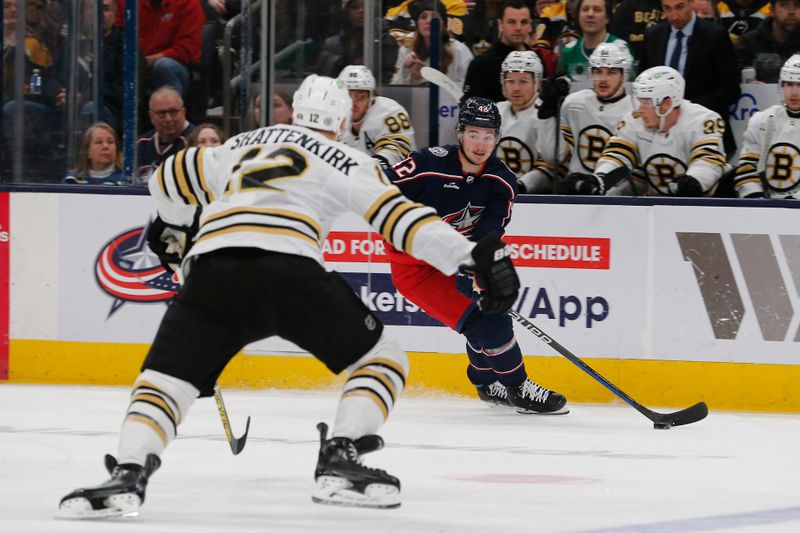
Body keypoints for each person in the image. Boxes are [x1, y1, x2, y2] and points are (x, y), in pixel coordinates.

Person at [56, 75, 521, 518]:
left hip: (214, 271)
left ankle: (128, 472)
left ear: (296, 112)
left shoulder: (237, 145)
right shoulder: (346, 158)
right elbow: (404, 222)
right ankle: (340, 455)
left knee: (163, 381)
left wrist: (174, 229)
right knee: (383, 360)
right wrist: (474, 257)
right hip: (290, 270)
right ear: (342, 122)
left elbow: (168, 176)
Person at [384, 97, 569, 414]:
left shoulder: (501, 181)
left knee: (487, 314)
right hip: (416, 269)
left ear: (497, 138)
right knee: (488, 321)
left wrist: (480, 264)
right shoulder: (429, 164)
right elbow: (381, 188)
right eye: (473, 134)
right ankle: (518, 388)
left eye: (488, 136)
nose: (481, 144)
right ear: (459, 134)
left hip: (457, 261)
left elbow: (488, 231)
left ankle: (485, 383)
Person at [565, 66, 727, 196]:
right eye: (639, 101)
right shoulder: (634, 120)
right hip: (657, 200)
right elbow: (617, 155)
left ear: (667, 104)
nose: (640, 109)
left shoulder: (703, 119)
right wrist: (600, 178)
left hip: (707, 202)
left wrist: (695, 181)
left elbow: (708, 161)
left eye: (646, 102)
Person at [639, 0, 741, 156]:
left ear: (691, 3)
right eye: (667, 8)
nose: (674, 16)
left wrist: (684, 109)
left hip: (703, 134)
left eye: (679, 7)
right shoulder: (653, 35)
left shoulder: (715, 36)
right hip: (658, 137)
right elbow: (643, 85)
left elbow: (731, 90)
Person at [555, 42, 635, 190]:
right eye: (598, 71)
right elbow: (557, 156)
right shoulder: (573, 103)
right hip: (575, 187)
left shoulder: (635, 109)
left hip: (615, 193)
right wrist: (548, 117)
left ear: (625, 75)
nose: (603, 79)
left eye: (611, 72)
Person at [734, 54, 800, 198]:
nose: (794, 92)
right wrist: (754, 196)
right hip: (765, 208)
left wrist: (794, 201)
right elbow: (747, 167)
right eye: (789, 84)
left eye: (799, 85)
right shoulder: (762, 121)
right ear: (781, 85)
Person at [493, 50, 559, 194]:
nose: (516, 88)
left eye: (523, 81)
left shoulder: (545, 115)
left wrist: (521, 186)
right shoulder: (496, 111)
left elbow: (550, 166)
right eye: (510, 81)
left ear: (538, 83)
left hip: (534, 200)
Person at [339, 64, 417, 168]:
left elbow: (396, 153)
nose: (353, 102)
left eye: (360, 96)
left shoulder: (390, 112)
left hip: (395, 181)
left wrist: (364, 171)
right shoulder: (337, 115)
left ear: (370, 97)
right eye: (348, 96)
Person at [462, 0, 538, 102]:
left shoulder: (537, 60)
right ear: (500, 24)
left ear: (530, 25)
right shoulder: (482, 65)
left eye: (524, 22)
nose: (518, 28)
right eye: (511, 22)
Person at [390, 0, 473, 86]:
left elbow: (469, 88)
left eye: (435, 16)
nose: (429, 21)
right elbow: (397, 91)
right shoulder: (407, 50)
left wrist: (430, 75)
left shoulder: (460, 50)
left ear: (444, 24)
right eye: (423, 17)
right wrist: (406, 70)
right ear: (417, 25)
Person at [314, 0, 398, 82]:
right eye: (355, 7)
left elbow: (384, 79)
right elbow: (321, 76)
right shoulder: (332, 43)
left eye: (366, 8)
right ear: (346, 12)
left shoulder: (384, 41)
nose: (361, 11)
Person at [138, 0, 204, 100]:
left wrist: (144, 62)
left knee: (164, 65)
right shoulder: (129, 4)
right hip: (137, 68)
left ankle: (170, 111)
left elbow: (186, 50)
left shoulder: (188, 3)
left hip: (176, 69)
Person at [136, 86, 195, 181]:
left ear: (183, 112)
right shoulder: (141, 144)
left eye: (173, 112)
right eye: (161, 113)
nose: (168, 119)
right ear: (151, 116)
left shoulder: (197, 142)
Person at [734, 0, 800, 83]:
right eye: (784, 5)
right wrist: (749, 85)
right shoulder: (748, 43)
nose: (791, 12)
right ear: (772, 10)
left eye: (797, 5)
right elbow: (732, 81)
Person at [558, 0, 625, 81]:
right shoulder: (568, 51)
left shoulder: (621, 50)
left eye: (597, 10)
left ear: (607, 18)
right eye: (585, 9)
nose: (590, 14)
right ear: (578, 16)